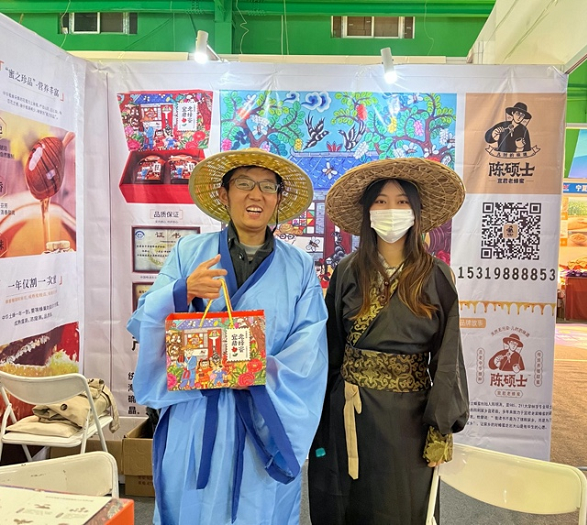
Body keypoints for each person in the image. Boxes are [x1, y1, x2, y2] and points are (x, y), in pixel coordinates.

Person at [127, 148, 328, 525]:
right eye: (244, 184)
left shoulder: (299, 267)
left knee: (258, 509)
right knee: (191, 508)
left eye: (267, 186)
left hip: (262, 418)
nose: (256, 195)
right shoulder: (190, 251)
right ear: (224, 194)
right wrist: (182, 291)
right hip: (195, 413)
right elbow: (146, 320)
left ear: (278, 199)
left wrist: (248, 369)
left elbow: (309, 349)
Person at [308, 157, 469, 525]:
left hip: (407, 420)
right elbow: (330, 348)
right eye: (380, 201)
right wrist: (318, 413)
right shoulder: (347, 271)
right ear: (368, 212)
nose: (391, 210)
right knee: (344, 503)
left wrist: (441, 427)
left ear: (415, 212)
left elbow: (448, 357)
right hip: (347, 411)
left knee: (402, 506)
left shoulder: (436, 275)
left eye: (401, 201)